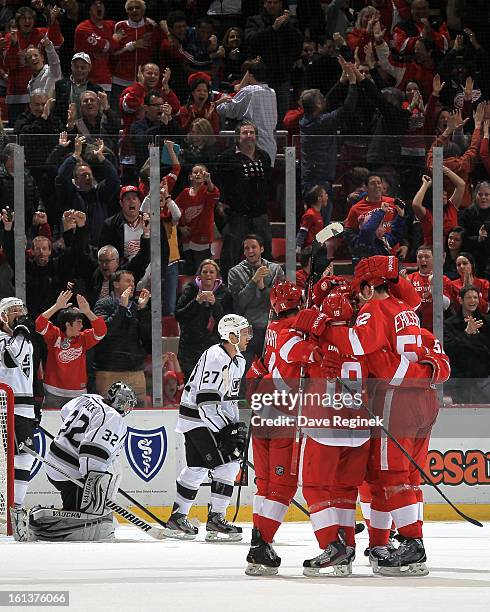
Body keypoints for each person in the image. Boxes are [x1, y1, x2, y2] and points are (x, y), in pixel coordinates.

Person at [166, 314, 251, 540]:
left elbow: (228, 399)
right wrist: (225, 431)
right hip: (200, 418)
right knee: (229, 464)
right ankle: (216, 519)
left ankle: (177, 518)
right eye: (244, 332)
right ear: (231, 335)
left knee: (197, 467)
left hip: (204, 418)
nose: (248, 337)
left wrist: (233, 425)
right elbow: (206, 402)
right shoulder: (216, 357)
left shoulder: (238, 359)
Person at [22, 382, 137, 542]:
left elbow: (65, 412)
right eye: (126, 404)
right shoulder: (113, 417)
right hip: (71, 472)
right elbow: (92, 454)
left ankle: (79, 510)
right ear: (118, 401)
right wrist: (92, 486)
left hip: (53, 460)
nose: (127, 408)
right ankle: (35, 523)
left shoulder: (89, 398)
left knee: (111, 469)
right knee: (87, 516)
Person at [216, 122, 273, 278]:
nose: (249, 135)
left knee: (266, 251)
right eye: (245, 132)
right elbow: (221, 182)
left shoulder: (264, 157)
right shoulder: (227, 157)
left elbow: (269, 182)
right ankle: (229, 286)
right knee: (231, 254)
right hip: (237, 215)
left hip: (260, 214)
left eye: (251, 132)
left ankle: (268, 284)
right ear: (237, 137)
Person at [0, 298, 36, 539]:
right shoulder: (5, 339)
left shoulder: (24, 339)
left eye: (21, 310)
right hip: (6, 407)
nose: (19, 315)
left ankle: (17, 509)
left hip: (25, 406)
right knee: (6, 462)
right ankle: (6, 511)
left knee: (24, 459)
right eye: (13, 311)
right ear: (3, 316)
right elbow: (11, 359)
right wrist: (22, 332)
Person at [35, 290, 107, 408]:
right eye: (78, 322)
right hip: (53, 393)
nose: (82, 326)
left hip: (78, 394)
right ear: (68, 324)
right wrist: (57, 306)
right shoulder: (55, 335)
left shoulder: (83, 338)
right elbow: (39, 324)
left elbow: (101, 331)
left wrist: (88, 312)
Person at [93, 270, 151, 406]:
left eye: (133, 281)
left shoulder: (137, 307)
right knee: (107, 410)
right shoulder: (103, 304)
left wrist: (143, 309)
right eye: (128, 281)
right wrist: (122, 308)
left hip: (135, 369)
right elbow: (104, 331)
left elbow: (147, 338)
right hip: (110, 369)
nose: (132, 284)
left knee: (141, 411)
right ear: (116, 284)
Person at [227, 234, 284, 371]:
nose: (250, 251)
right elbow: (239, 303)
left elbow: (279, 301)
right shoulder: (235, 272)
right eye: (247, 248)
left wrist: (263, 288)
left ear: (262, 249)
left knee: (271, 372)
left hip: (271, 330)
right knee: (244, 374)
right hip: (247, 331)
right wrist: (254, 281)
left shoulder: (275, 270)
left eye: (254, 247)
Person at [245, 0, 303, 126]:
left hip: (283, 76)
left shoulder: (290, 22)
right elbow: (251, 41)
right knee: (261, 116)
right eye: (269, 2)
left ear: (281, 4)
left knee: (282, 116)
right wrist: (272, 29)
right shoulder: (254, 21)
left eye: (275, 2)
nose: (272, 5)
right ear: (264, 4)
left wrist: (287, 25)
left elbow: (298, 43)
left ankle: (281, 145)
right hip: (261, 78)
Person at [175, 259, 233, 380]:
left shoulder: (224, 293)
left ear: (216, 275)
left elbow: (228, 322)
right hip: (190, 347)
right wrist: (196, 302)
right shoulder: (190, 290)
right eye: (205, 272)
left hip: (214, 347)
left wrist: (215, 304)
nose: (208, 275)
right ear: (199, 275)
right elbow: (179, 315)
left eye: (211, 272)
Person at [215, 60, 278, 165]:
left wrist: (222, 99)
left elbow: (229, 111)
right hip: (270, 146)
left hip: (252, 146)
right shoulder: (272, 92)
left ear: (250, 76)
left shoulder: (249, 90)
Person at [444, 285, 490, 404]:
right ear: (460, 300)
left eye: (475, 297)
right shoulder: (449, 324)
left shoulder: (486, 322)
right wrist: (466, 334)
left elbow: (486, 350)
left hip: (483, 380)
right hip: (459, 381)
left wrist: (475, 335)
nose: (473, 301)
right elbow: (449, 350)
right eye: (469, 297)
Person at [176, 164, 220, 274]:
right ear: (190, 176)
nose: (198, 174)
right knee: (189, 273)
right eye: (196, 172)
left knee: (203, 272)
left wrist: (209, 181)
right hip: (187, 239)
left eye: (202, 172)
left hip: (203, 239)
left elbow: (215, 193)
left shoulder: (208, 191)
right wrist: (180, 227)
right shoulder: (185, 193)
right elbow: (174, 210)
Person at [411, 168, 465, 247]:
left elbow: (461, 185)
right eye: (440, 192)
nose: (445, 194)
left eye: (445, 191)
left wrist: (444, 169)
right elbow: (416, 204)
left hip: (450, 253)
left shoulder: (451, 207)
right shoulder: (426, 214)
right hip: (431, 254)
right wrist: (425, 184)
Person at [53, 52, 103, 123]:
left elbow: (101, 114)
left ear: (89, 68)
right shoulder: (59, 86)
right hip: (64, 129)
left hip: (88, 130)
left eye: (83, 67)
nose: (79, 70)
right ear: (71, 67)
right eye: (76, 67)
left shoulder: (97, 89)